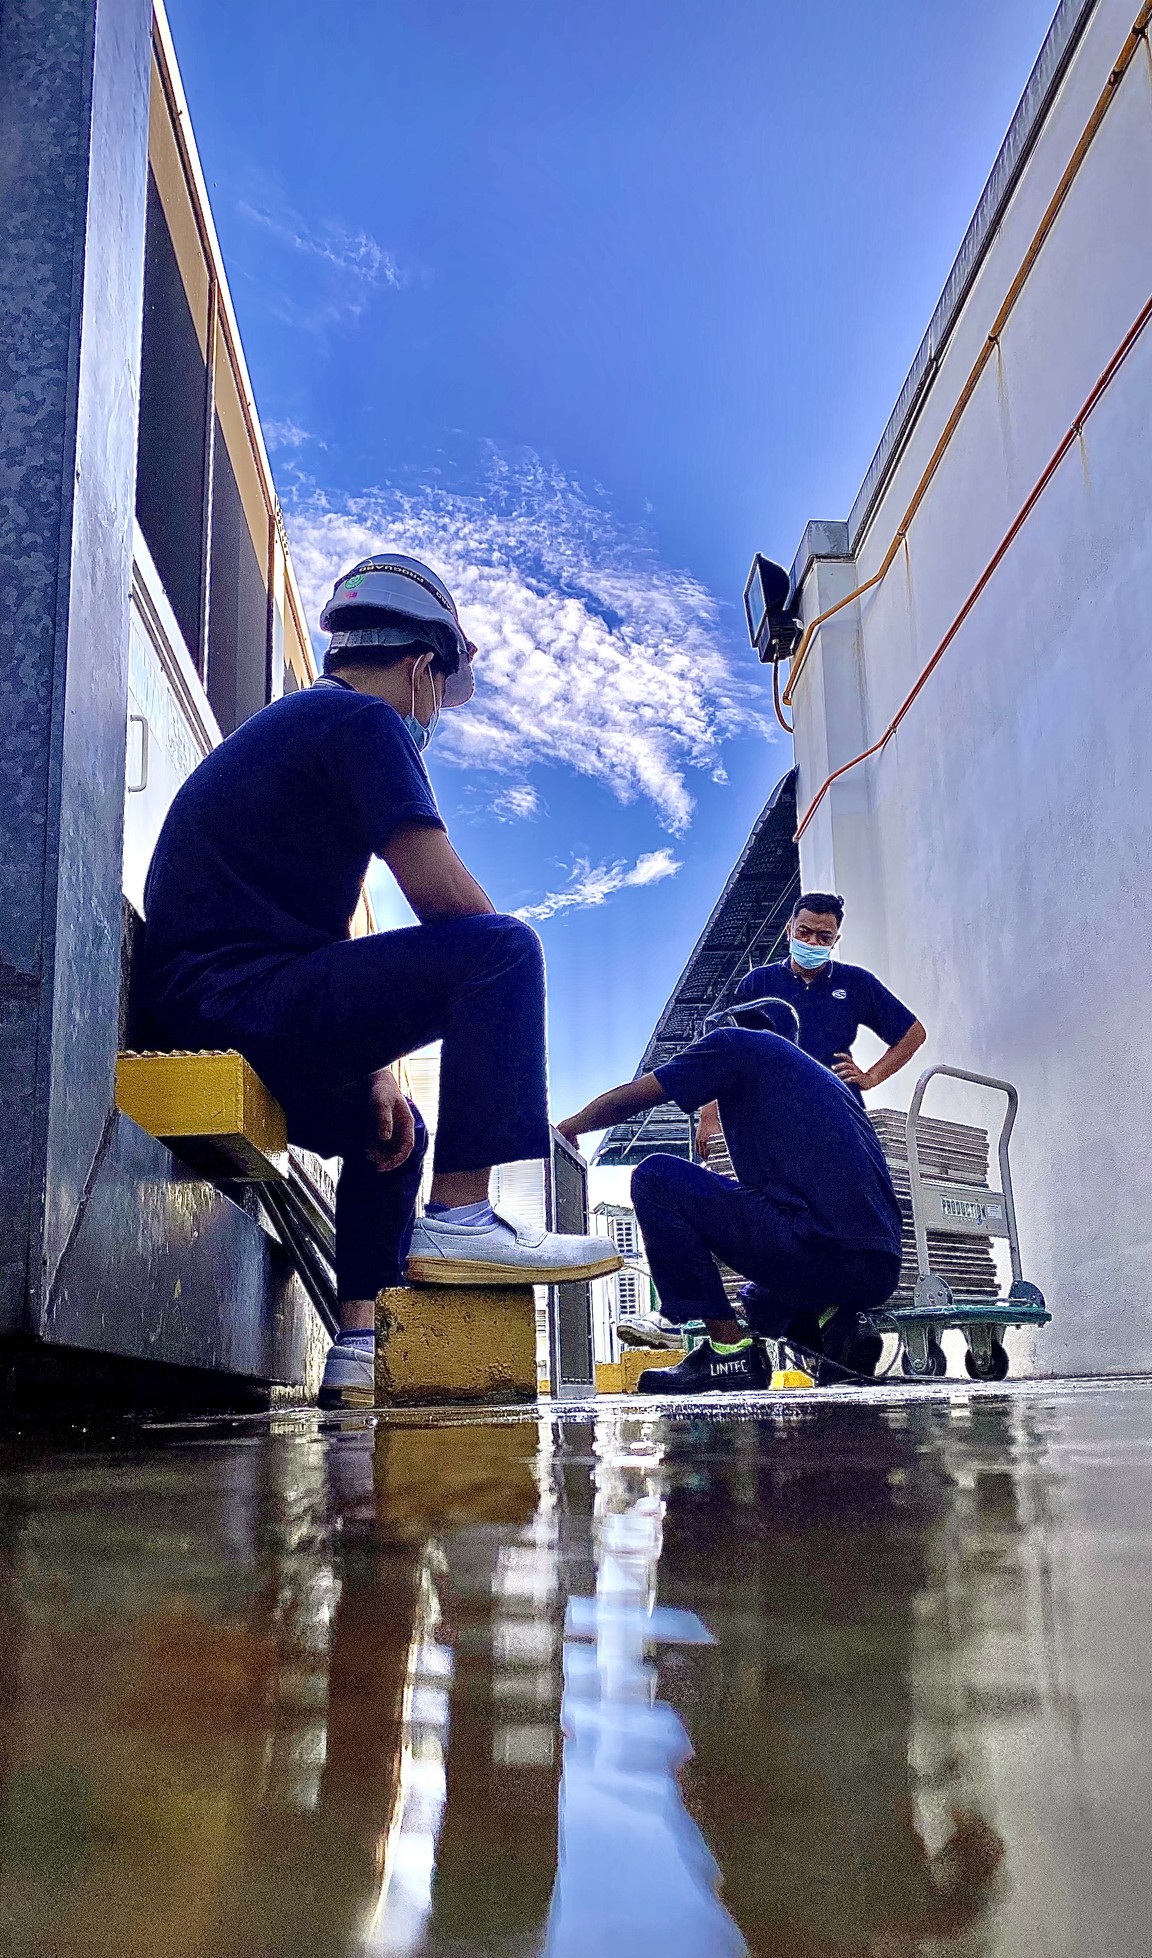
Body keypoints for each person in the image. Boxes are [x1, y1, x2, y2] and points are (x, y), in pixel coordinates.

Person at [139, 552, 620, 1408]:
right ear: (422, 667)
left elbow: (296, 946)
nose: (434, 715)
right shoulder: (365, 724)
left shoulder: (298, 726)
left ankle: (357, 1346)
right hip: (235, 997)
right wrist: (494, 973)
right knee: (502, 950)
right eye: (439, 693)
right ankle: (464, 1221)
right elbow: (444, 902)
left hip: (206, 1001)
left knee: (391, 1128)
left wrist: (373, 1067)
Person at [557, 997, 902, 1394]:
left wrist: (572, 1125)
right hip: (879, 1269)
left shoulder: (736, 1043)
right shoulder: (817, 1081)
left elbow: (632, 1098)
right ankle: (841, 1331)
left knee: (657, 1178)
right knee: (759, 1302)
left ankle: (727, 1352)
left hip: (818, 1250)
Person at [694, 891, 925, 1161]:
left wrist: (871, 1077)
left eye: (824, 937)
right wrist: (709, 1113)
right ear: (789, 930)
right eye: (804, 932)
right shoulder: (758, 983)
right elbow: (725, 1050)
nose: (812, 942)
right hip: (768, 1114)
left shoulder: (855, 982)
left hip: (837, 1113)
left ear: (835, 940)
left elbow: (914, 1034)